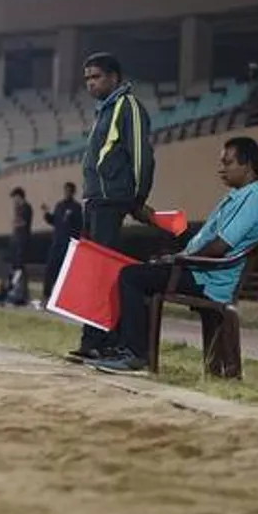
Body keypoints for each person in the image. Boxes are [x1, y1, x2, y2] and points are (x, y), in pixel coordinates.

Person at [89, 137, 258, 374]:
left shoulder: (254, 199)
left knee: (131, 276)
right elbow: (205, 242)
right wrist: (175, 251)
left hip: (208, 280)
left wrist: (179, 260)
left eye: (228, 163)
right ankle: (131, 349)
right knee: (142, 271)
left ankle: (135, 353)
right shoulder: (240, 197)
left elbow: (219, 247)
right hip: (200, 271)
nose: (221, 168)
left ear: (247, 166)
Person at [72, 52, 155, 360]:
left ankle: (105, 341)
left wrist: (137, 198)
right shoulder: (103, 111)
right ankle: (91, 340)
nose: (91, 84)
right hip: (95, 200)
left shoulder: (127, 106)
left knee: (104, 274)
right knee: (93, 273)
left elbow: (141, 154)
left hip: (112, 200)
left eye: (96, 77)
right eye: (87, 79)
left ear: (114, 77)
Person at [40, 181, 83, 306]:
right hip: (57, 243)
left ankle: (66, 299)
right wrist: (46, 214)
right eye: (65, 190)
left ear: (73, 192)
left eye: (69, 191)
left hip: (68, 244)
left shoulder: (76, 207)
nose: (66, 193)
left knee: (66, 272)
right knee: (50, 270)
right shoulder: (59, 205)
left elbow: (79, 226)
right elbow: (54, 221)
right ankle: (46, 296)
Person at [6, 187, 34, 304]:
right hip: (16, 240)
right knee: (16, 267)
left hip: (22, 240)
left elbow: (23, 223)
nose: (14, 201)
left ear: (19, 196)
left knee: (20, 267)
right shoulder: (18, 208)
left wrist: (15, 221)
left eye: (15, 198)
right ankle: (17, 291)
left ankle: (21, 293)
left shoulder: (26, 208)